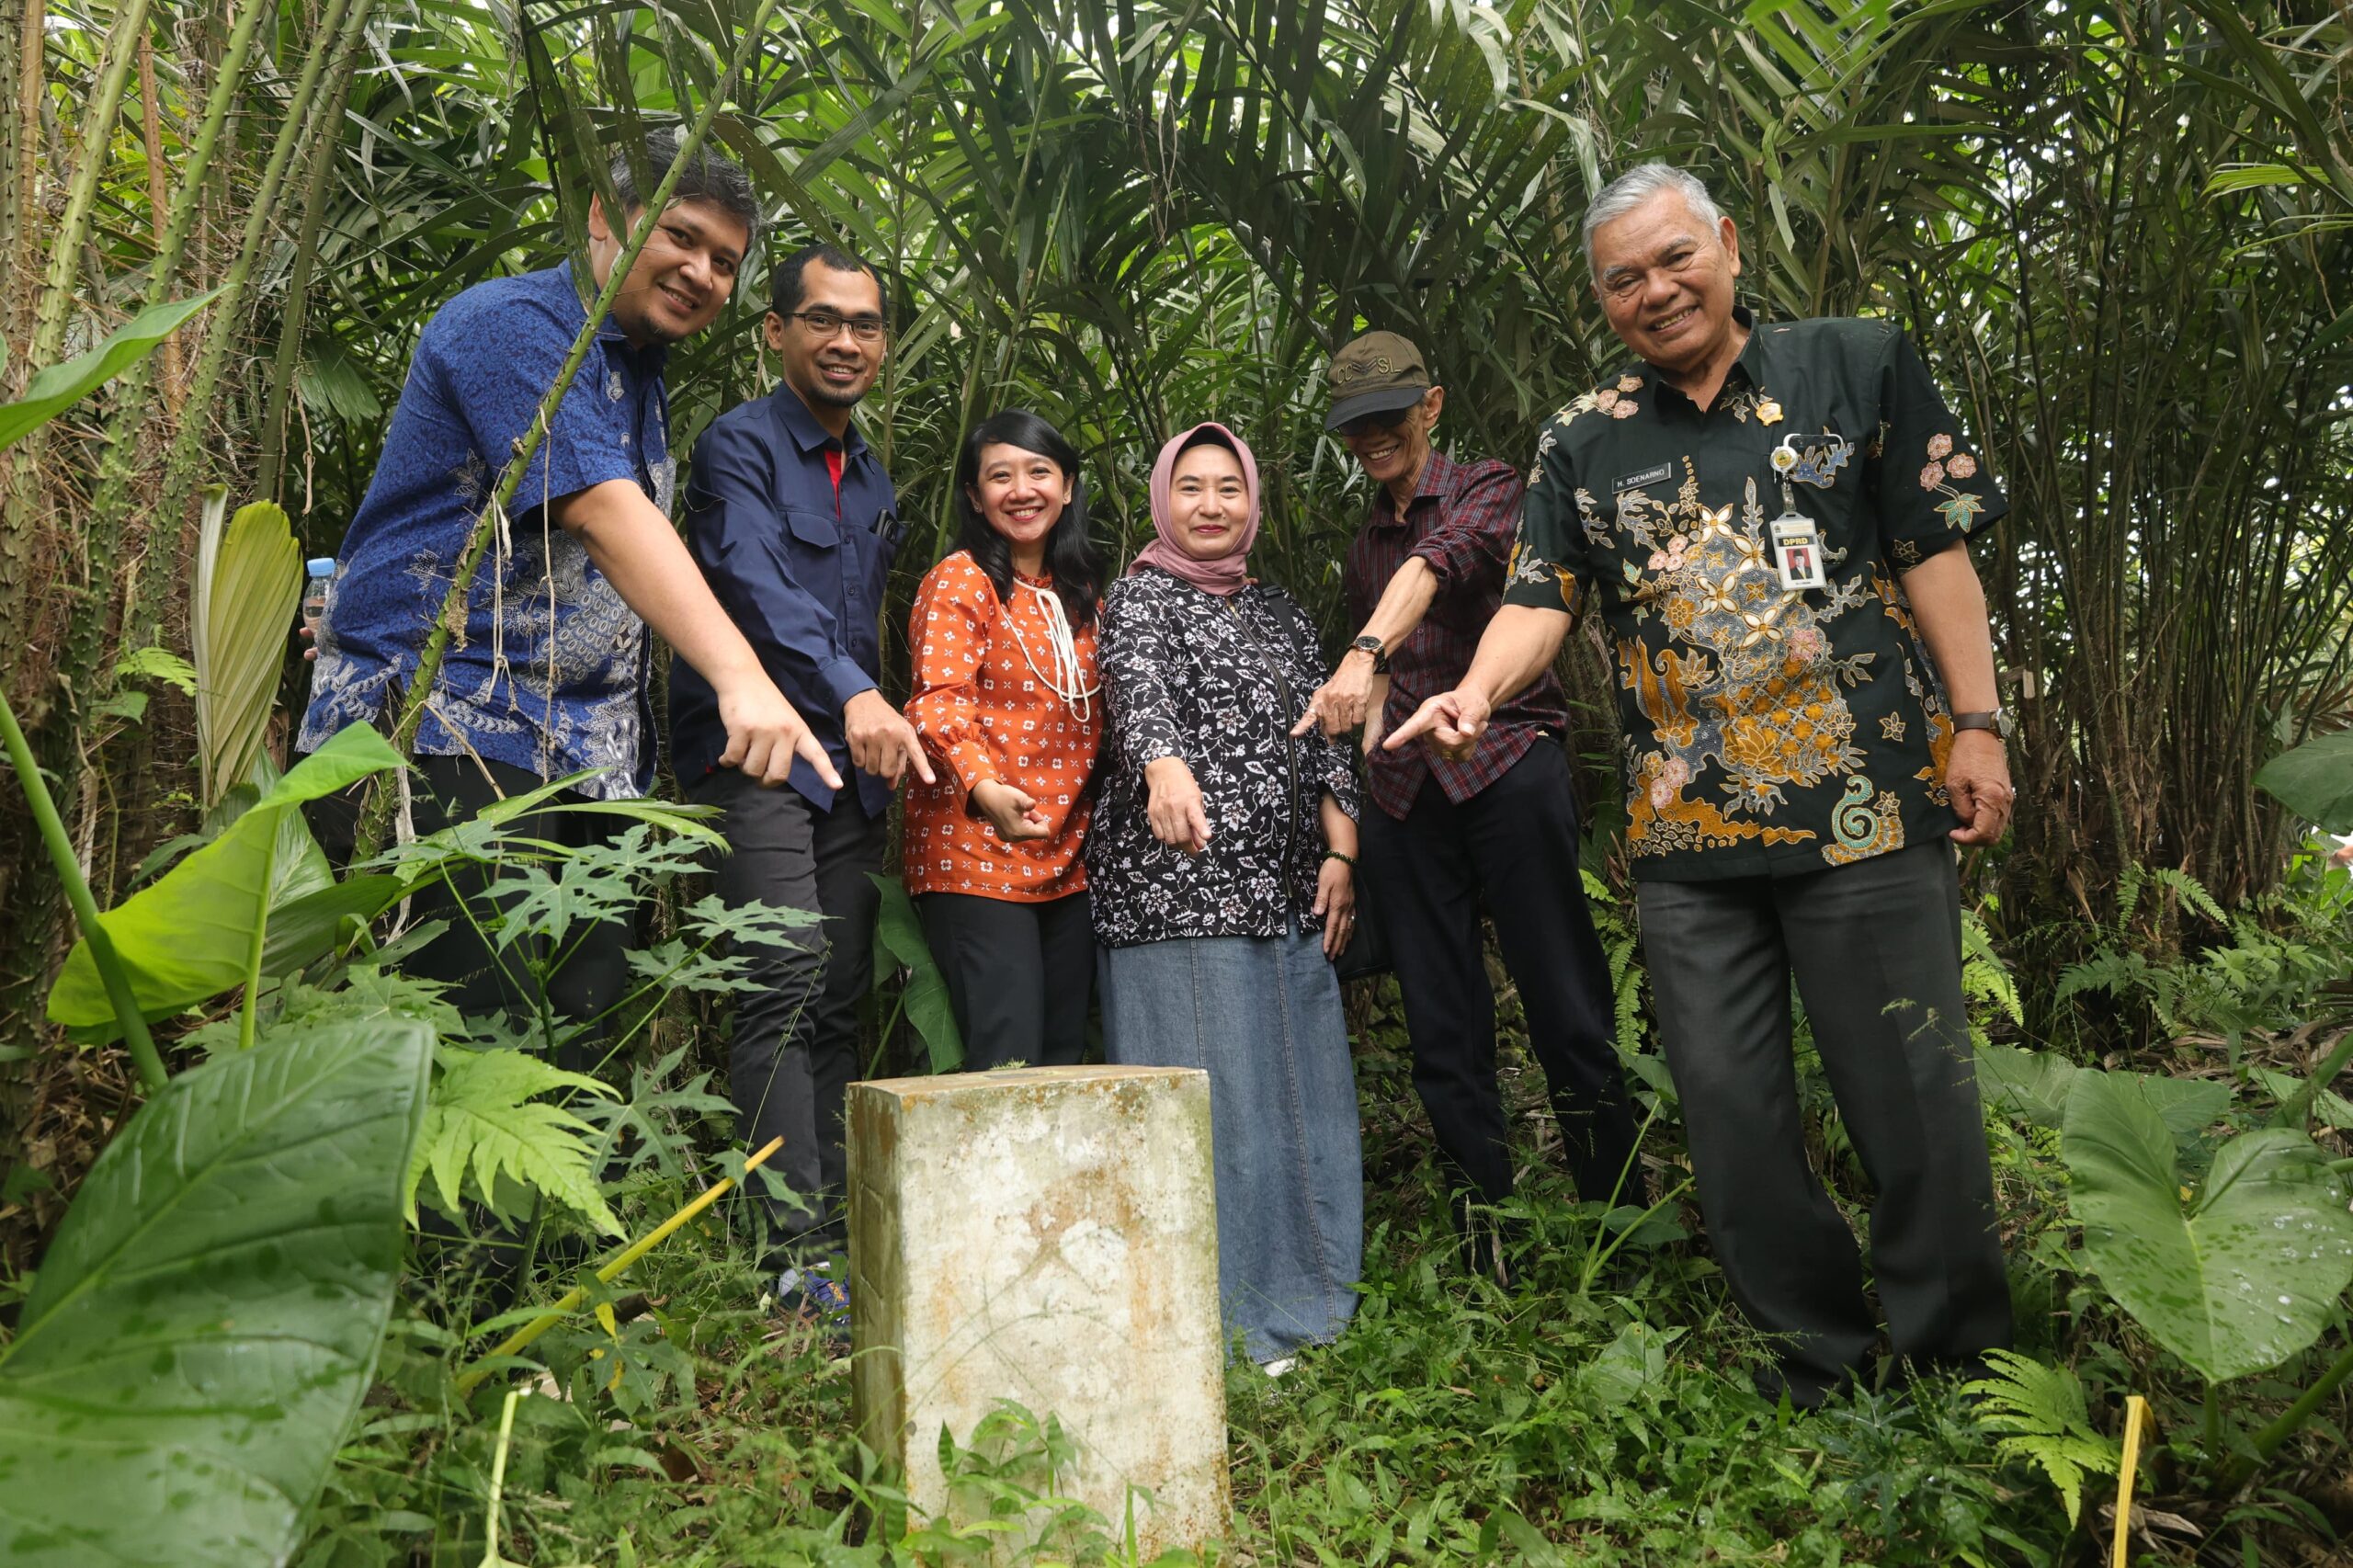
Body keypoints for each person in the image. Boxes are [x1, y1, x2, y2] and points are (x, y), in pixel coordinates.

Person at [1391, 162, 2017, 1406]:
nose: (1656, 290)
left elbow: (1931, 549)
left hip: (1869, 803)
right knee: (1730, 1116)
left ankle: (1957, 1365)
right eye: (1623, 278)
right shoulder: (1582, 436)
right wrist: (1474, 690)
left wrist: (1979, 725)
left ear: (1727, 244)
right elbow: (1539, 598)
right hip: (1687, 837)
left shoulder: (1858, 362)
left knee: (1912, 1099)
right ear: (1601, 299)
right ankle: (1817, 1360)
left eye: (1675, 257)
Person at [300, 130, 833, 1042]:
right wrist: (743, 679)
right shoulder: (509, 324)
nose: (701, 273)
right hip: (445, 727)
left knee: (576, 1052)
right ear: (603, 215)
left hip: (588, 761)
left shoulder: (638, 375)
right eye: (680, 236)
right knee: (462, 1047)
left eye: (724, 261)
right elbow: (604, 513)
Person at [1292, 330, 1648, 1278]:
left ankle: (1620, 1232)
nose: (1372, 436)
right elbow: (1378, 681)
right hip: (1406, 795)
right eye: (1354, 424)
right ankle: (1483, 1244)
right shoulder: (1364, 546)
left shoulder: (1487, 485)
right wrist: (1365, 750)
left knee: (1564, 1000)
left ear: (1432, 405)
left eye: (1388, 415)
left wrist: (1361, 652)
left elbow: (1442, 564)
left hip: (1507, 764)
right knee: (1442, 1025)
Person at [670, 243, 934, 1314]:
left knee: (836, 995)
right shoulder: (736, 445)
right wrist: (855, 691)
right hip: (759, 756)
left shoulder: (868, 474)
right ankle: (788, 1261)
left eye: (864, 324)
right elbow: (753, 583)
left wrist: (880, 713)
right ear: (776, 330)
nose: (845, 341)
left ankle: (832, 1236)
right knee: (780, 982)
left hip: (850, 773)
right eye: (822, 319)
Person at [1090, 422, 1364, 1366]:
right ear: (1163, 499)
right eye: (1192, 487)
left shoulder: (1280, 610)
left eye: (1229, 488)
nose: (1211, 505)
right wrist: (1163, 769)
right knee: (1221, 1116)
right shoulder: (1139, 598)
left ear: (1252, 500)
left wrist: (1342, 851)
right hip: (1179, 894)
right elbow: (1139, 695)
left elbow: (1327, 732)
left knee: (1304, 1107)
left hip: (1285, 893)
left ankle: (1313, 1307)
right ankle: (1228, 1327)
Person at [902, 411, 1106, 1069]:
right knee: (1006, 1056)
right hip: (975, 853)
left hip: (1068, 857)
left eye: (1038, 472)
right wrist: (985, 788)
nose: (1021, 490)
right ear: (974, 495)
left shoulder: (1083, 597)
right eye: (1000, 476)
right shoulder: (961, 580)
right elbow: (937, 701)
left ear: (1067, 486)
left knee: (1062, 1058)